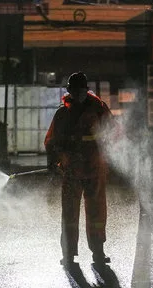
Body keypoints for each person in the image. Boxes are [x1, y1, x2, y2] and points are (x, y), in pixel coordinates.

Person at [45, 72, 113, 267]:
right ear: (70, 91)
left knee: (96, 211)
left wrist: (110, 157)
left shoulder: (99, 110)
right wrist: (53, 160)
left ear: (86, 90)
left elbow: (113, 133)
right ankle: (68, 253)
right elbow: (52, 140)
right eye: (75, 90)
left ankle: (98, 251)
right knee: (69, 213)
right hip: (72, 168)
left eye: (81, 90)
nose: (78, 93)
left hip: (93, 166)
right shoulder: (62, 113)